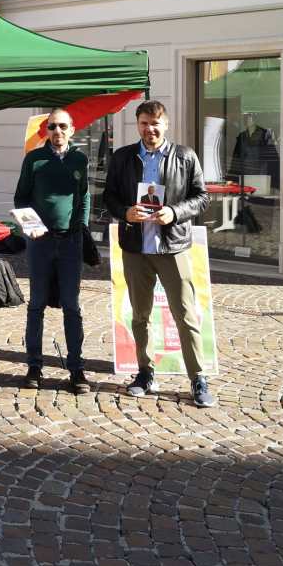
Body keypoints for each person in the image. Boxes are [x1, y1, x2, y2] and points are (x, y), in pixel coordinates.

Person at [103, 99, 215, 408]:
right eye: (144, 123)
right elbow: (109, 197)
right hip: (136, 248)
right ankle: (145, 372)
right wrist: (125, 212)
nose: (149, 129)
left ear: (165, 124)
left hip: (172, 247)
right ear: (137, 125)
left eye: (155, 123)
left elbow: (202, 198)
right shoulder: (123, 157)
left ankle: (198, 377)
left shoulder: (185, 156)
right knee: (140, 315)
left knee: (185, 314)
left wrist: (174, 212)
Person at [13, 108, 91, 394]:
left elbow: (84, 196)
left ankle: (77, 369)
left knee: (71, 305)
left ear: (72, 129)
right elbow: (21, 198)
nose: (57, 131)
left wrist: (82, 227)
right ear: (46, 130)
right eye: (52, 127)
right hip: (41, 242)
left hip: (70, 242)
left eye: (62, 126)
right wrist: (31, 226)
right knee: (37, 304)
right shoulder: (34, 159)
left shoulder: (80, 159)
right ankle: (34, 365)